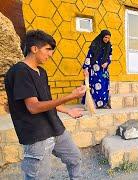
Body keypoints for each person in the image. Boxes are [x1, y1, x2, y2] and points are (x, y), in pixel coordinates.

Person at [5, 30, 86, 179]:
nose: (51, 54)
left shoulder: (41, 72)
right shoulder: (20, 72)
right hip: (36, 135)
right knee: (40, 177)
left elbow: (46, 100)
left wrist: (67, 111)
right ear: (34, 49)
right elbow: (34, 107)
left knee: (75, 158)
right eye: (48, 49)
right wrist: (70, 96)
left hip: (54, 127)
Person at [82, 30, 112, 109]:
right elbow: (89, 56)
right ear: (102, 36)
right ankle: (96, 104)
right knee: (96, 86)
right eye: (105, 37)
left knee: (105, 85)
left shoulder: (109, 46)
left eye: (108, 38)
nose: (107, 39)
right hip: (94, 70)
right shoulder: (95, 44)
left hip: (104, 70)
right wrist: (86, 68)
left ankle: (103, 103)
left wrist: (107, 63)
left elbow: (109, 57)